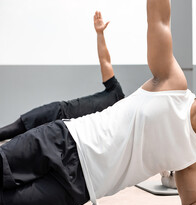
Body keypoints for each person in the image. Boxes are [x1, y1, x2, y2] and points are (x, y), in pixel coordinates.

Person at [0, 0, 196, 205]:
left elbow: (194, 201)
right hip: (63, 140)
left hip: (79, 188)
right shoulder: (172, 85)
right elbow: (159, 21)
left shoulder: (193, 154)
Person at [0, 11, 125, 142]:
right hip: (58, 110)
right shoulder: (116, 93)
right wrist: (100, 34)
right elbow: (105, 61)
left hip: (64, 133)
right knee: (18, 127)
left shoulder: (118, 122)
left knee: (18, 145)